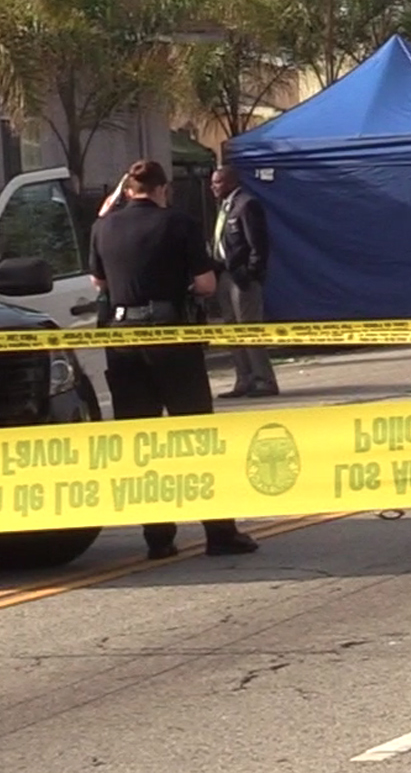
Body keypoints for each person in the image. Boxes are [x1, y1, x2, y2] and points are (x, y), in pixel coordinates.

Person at [90, 159, 258, 560]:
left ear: (128, 190)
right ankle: (219, 532)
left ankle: (158, 537)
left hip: (123, 340)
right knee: (195, 438)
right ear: (163, 189)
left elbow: (98, 282)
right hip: (172, 337)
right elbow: (205, 283)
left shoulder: (102, 227)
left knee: (142, 444)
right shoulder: (178, 223)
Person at [211, 166, 279, 399]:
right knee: (232, 330)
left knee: (248, 329)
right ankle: (244, 379)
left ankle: (264, 380)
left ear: (230, 181)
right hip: (224, 274)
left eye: (218, 182)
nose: (213, 187)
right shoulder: (225, 207)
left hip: (242, 279)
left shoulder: (247, 204)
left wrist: (250, 273)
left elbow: (258, 245)